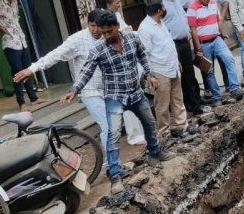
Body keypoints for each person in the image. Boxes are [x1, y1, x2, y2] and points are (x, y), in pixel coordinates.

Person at [61, 11, 173, 195]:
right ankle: (115, 174)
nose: (105, 35)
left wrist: (150, 75)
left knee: (150, 122)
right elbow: (86, 71)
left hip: (135, 93)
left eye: (109, 31)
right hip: (114, 96)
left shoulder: (132, 40)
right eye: (103, 32)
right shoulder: (98, 49)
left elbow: (143, 56)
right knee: (112, 135)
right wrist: (74, 90)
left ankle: (155, 152)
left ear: (117, 27)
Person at [13, 9, 108, 151]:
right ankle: (113, 165)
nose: (96, 30)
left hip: (110, 88)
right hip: (89, 89)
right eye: (92, 26)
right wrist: (33, 69)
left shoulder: (109, 35)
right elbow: (56, 54)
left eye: (99, 26)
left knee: (114, 124)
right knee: (107, 125)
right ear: (87, 24)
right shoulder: (77, 39)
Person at [99, 0, 146, 147]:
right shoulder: (103, 21)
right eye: (117, 2)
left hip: (128, 65)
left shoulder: (117, 16)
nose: (120, 5)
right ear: (108, 5)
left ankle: (140, 132)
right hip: (115, 71)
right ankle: (134, 135)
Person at [138, 0, 189, 138]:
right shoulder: (145, 28)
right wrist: (150, 75)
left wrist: (176, 61)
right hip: (159, 70)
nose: (166, 9)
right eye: (164, 7)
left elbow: (168, 44)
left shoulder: (160, 22)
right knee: (162, 104)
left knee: (177, 98)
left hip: (172, 66)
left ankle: (182, 125)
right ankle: (164, 132)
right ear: (160, 10)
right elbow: (144, 54)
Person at [157, 0, 204, 116]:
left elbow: (182, 16)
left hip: (184, 42)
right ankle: (184, 107)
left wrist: (189, 32)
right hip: (172, 44)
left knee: (190, 74)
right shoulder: (159, 1)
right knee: (179, 76)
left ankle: (195, 104)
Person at [187, 0, 243, 103]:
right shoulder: (192, 9)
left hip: (217, 39)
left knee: (229, 59)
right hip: (204, 44)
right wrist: (199, 49)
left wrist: (224, 35)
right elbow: (193, 31)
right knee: (209, 70)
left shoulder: (213, 3)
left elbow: (218, 20)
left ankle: (234, 89)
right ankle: (217, 97)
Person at [180, 0, 231, 94]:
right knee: (205, 65)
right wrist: (185, 22)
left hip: (215, 32)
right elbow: (178, 7)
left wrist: (222, 17)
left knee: (224, 60)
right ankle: (208, 89)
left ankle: (228, 84)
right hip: (200, 35)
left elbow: (226, 1)